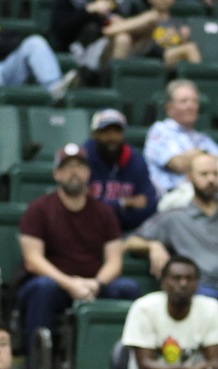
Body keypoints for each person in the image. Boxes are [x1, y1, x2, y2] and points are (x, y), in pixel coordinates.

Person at [15, 143, 136, 348]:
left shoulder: (105, 212)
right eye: (67, 167)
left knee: (128, 288)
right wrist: (70, 284)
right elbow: (33, 260)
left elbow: (115, 261)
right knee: (43, 288)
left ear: (89, 173)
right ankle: (36, 365)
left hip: (92, 285)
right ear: (57, 174)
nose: (74, 172)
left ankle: (119, 360)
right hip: (55, 285)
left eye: (79, 167)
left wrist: (96, 284)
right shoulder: (39, 209)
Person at [0, 0, 67, 102]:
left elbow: (15, 46)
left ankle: (56, 88)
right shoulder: (3, 38)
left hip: (8, 69)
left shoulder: (6, 32)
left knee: (35, 42)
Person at [143, 80, 218, 195]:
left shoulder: (203, 138)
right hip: (171, 198)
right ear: (169, 107)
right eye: (184, 101)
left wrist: (195, 155)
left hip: (203, 197)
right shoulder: (160, 130)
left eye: (194, 101)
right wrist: (205, 155)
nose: (190, 106)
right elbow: (177, 164)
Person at [85, 107, 159, 235]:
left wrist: (110, 209)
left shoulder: (135, 159)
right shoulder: (84, 158)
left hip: (129, 229)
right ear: (95, 134)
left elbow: (149, 203)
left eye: (117, 131)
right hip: (90, 229)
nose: (112, 137)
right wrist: (124, 203)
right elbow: (82, 206)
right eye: (106, 132)